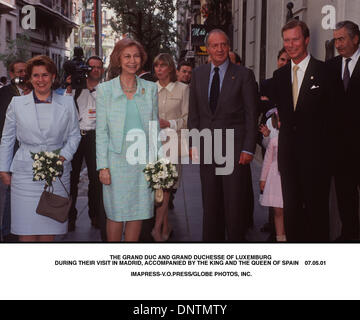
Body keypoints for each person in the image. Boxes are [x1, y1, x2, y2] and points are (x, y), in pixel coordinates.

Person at [0, 55, 80, 242]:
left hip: (57, 175)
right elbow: (7, 138)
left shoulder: (67, 103)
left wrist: (63, 157)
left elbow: (75, 135)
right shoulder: (17, 104)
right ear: (29, 78)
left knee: (47, 234)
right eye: (35, 75)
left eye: (45, 75)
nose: (40, 80)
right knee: (25, 233)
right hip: (24, 176)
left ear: (53, 77)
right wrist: (3, 169)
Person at [188, 29, 258, 242]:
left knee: (234, 207)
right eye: (214, 45)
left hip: (234, 151)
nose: (219, 49)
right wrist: (193, 143)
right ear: (208, 49)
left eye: (223, 45)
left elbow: (251, 115)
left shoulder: (244, 75)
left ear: (229, 47)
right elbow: (194, 114)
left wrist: (248, 148)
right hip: (207, 148)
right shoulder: (198, 74)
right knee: (210, 206)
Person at [273, 20, 335, 242]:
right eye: (287, 40)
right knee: (292, 213)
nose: (290, 45)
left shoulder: (325, 72)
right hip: (289, 158)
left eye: (295, 39)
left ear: (306, 40)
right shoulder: (279, 76)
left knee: (317, 214)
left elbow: (333, 117)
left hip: (317, 159)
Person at [96, 38, 159, 242]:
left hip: (143, 161)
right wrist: (102, 167)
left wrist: (157, 165)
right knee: (115, 214)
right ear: (118, 59)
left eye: (136, 56)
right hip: (116, 161)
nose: (132, 61)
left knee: (138, 212)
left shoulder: (150, 89)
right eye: (127, 56)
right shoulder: (105, 90)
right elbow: (101, 132)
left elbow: (154, 128)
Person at [326, 21, 360, 241]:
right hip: (340, 149)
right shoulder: (330, 66)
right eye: (335, 39)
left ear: (356, 39)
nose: (337, 44)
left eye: (342, 39)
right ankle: (350, 235)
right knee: (345, 196)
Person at [65, 56, 105, 233]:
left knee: (96, 179)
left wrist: (92, 90)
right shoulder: (75, 86)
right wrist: (70, 86)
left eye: (98, 67)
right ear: (85, 69)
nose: (95, 70)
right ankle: (70, 217)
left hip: (94, 136)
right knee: (71, 178)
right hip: (75, 136)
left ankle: (95, 214)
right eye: (91, 67)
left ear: (102, 70)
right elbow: (65, 107)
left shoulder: (104, 90)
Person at [152, 53, 189, 242]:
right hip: (153, 144)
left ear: (170, 68)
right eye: (156, 66)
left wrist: (170, 123)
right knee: (158, 185)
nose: (159, 69)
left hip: (174, 143)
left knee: (166, 187)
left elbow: (188, 118)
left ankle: (157, 229)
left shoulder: (183, 89)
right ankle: (166, 226)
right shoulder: (150, 90)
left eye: (163, 66)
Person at [0, 60, 28, 242]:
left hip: (28, 148)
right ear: (11, 74)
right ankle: (8, 231)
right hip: (10, 148)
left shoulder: (34, 92)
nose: (23, 74)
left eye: (26, 71)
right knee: (11, 190)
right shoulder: (3, 94)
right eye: (19, 72)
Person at [259, 112, 286, 242]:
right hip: (275, 179)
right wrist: (263, 179)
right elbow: (267, 161)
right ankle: (279, 237)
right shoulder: (274, 141)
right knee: (277, 209)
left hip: (286, 178)